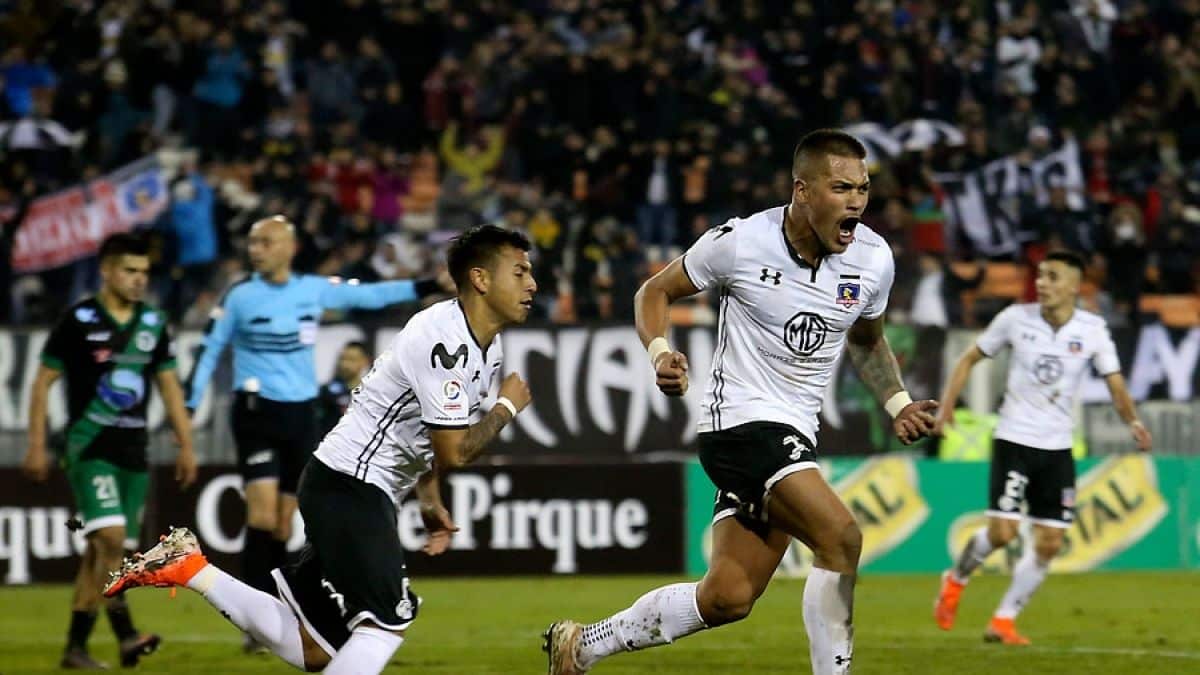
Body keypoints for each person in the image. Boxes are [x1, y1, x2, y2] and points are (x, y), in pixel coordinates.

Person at [543, 130, 938, 675]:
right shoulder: (740, 242)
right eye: (841, 187)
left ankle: (582, 645)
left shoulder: (873, 259)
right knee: (840, 538)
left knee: (728, 597)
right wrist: (660, 352)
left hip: (793, 437)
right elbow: (653, 292)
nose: (856, 202)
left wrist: (898, 403)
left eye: (863, 189)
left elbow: (867, 339)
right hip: (738, 426)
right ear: (803, 191)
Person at [105, 224, 537, 674]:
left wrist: (429, 500)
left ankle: (190, 567)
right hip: (351, 485)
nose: (532, 284)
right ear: (481, 279)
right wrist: (506, 406)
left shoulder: (485, 345)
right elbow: (455, 452)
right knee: (386, 623)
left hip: (349, 484)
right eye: (520, 272)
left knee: (316, 647)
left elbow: (430, 437)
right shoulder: (445, 340)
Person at [184, 215, 450, 651]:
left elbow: (367, 295)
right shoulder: (240, 295)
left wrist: (425, 287)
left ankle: (280, 611)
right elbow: (211, 345)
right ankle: (256, 624)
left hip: (300, 416)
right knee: (263, 516)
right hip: (256, 414)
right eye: (252, 243)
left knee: (286, 522)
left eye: (266, 242)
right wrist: (192, 404)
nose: (257, 250)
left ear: (289, 248)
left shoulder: (311, 289)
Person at [932, 250, 1152, 645]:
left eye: (1052, 277)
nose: (1042, 283)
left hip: (1059, 446)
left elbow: (1115, 383)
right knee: (1002, 533)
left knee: (1050, 542)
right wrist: (946, 406)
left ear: (1073, 285)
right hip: (1015, 438)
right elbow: (968, 358)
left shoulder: (1093, 330)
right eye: (1040, 276)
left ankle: (1003, 619)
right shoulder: (1015, 319)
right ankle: (956, 579)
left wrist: (1133, 421)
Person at [22, 233, 198, 669]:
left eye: (144, 273)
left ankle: (75, 647)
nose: (139, 280)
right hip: (88, 448)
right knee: (113, 541)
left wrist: (186, 444)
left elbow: (170, 387)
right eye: (130, 271)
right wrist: (38, 444)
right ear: (107, 271)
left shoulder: (153, 324)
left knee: (99, 553)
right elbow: (42, 382)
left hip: (134, 453)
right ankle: (127, 635)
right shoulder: (78, 320)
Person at [316, 341, 372, 439]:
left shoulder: (371, 393)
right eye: (342, 359)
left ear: (365, 361)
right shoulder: (325, 392)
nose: (344, 364)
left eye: (351, 359)